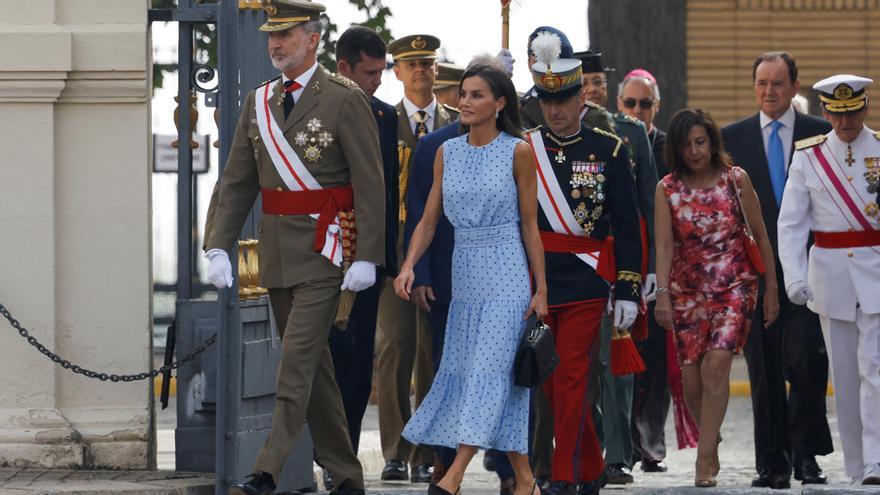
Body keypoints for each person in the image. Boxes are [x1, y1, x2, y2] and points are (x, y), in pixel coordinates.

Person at [202, 2, 385, 494]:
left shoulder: (344, 99)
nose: (275, 45)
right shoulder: (258, 101)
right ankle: (346, 476)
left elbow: (371, 183)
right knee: (315, 371)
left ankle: (267, 468)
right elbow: (237, 180)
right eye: (271, 37)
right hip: (277, 254)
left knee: (296, 362)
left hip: (327, 251)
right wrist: (217, 244)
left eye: (286, 35)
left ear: (313, 40)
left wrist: (367, 253)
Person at [394, 63, 547, 495]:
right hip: (465, 275)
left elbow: (531, 228)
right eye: (463, 93)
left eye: (477, 94)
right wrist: (408, 266)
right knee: (479, 373)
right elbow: (427, 221)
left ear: (499, 104)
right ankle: (526, 481)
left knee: (489, 371)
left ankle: (454, 475)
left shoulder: (518, 151)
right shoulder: (447, 152)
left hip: (508, 274)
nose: (465, 101)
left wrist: (541, 290)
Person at [525, 33, 643, 495]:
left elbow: (628, 227)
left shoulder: (609, 149)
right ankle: (591, 467)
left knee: (573, 377)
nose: (555, 109)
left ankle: (565, 476)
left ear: (582, 97)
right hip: (536, 282)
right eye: (547, 100)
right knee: (554, 384)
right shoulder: (522, 147)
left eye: (564, 99)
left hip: (586, 281)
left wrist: (629, 289)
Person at [721, 51, 833, 489]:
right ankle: (772, 462)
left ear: (794, 87)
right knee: (764, 370)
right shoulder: (733, 138)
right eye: (762, 83)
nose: (770, 91)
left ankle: (807, 456)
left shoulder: (819, 133)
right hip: (755, 273)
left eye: (778, 83)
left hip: (810, 269)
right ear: (754, 87)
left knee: (807, 363)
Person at [654, 108, 779, 488]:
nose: (694, 151)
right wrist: (661, 295)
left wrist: (771, 289)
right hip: (685, 291)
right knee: (692, 382)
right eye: (686, 144)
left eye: (700, 142)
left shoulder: (735, 180)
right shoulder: (667, 189)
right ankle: (712, 435)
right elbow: (663, 248)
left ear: (712, 142)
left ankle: (704, 457)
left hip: (735, 283)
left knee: (717, 364)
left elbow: (760, 233)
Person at [778, 74, 880, 486]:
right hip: (830, 275)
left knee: (875, 368)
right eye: (837, 115)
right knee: (843, 373)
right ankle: (856, 466)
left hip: (876, 270)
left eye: (853, 112)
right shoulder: (808, 157)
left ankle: (876, 459)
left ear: (865, 108)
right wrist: (794, 278)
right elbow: (791, 224)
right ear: (824, 112)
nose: (845, 122)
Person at [573, 49, 659, 488]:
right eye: (584, 81)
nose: (591, 89)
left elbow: (647, 203)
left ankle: (619, 456)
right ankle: (583, 449)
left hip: (618, 260)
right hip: (571, 258)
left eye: (598, 83)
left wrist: (650, 268)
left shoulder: (630, 132)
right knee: (579, 363)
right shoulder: (554, 130)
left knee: (616, 360)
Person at [377, 33, 458, 483]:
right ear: (398, 72)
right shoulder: (383, 121)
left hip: (438, 255)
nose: (422, 71)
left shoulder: (453, 120)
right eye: (412, 65)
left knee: (433, 355)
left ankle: (428, 448)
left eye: (428, 63)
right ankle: (395, 448)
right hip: (393, 254)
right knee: (395, 350)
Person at [326, 24, 398, 463]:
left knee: (356, 365)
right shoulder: (318, 110)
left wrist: (384, 259)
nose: (377, 81)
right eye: (370, 73)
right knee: (323, 361)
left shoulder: (385, 115)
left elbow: (385, 191)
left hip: (366, 258)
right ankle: (320, 452)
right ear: (344, 68)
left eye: (380, 73)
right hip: (322, 252)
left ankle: (344, 458)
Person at [617, 68, 671, 474]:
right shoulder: (611, 139)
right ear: (620, 106)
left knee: (654, 359)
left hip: (660, 266)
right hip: (618, 263)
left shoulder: (670, 147)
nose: (638, 110)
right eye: (631, 103)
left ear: (657, 106)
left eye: (645, 103)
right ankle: (620, 442)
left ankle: (649, 441)